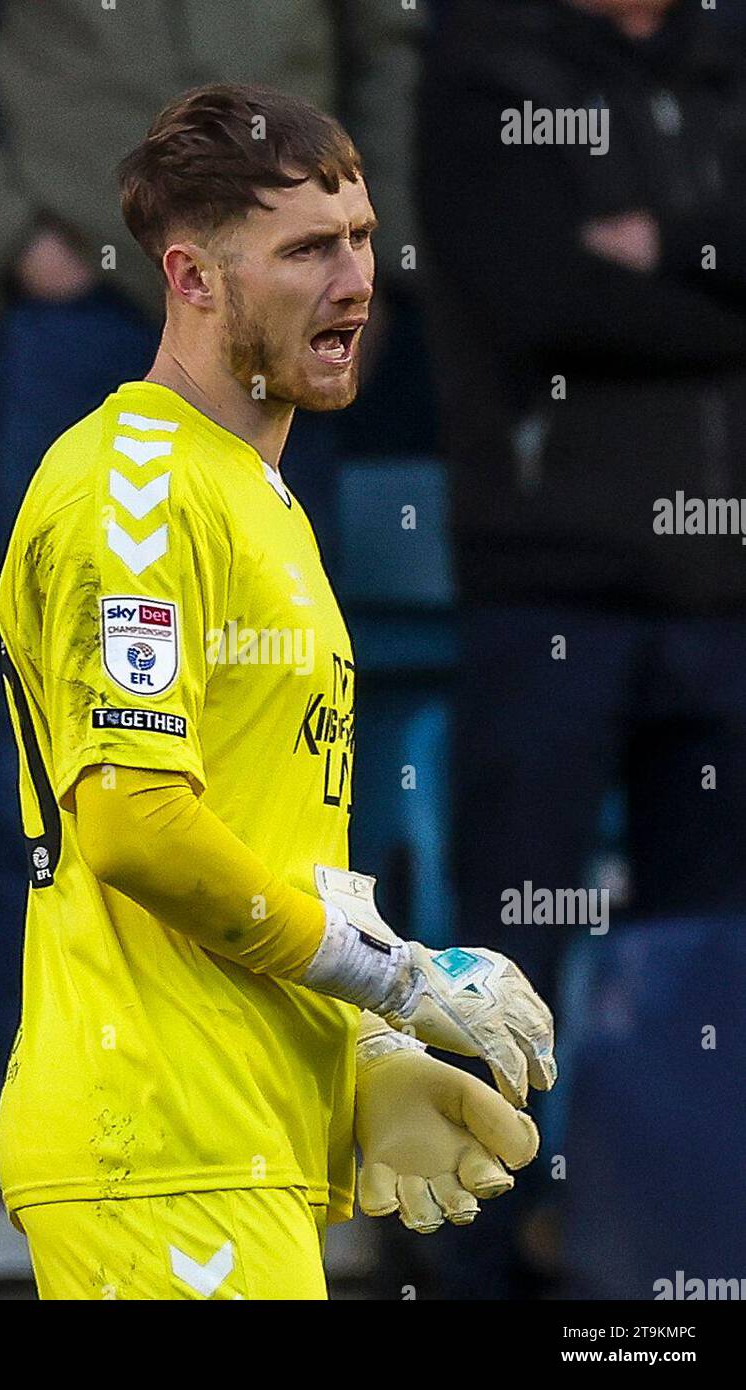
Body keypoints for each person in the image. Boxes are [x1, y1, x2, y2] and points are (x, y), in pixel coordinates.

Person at [0, 3, 428, 1178]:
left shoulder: (330, 271)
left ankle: (301, 1077)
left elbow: (393, 48)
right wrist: (9, 235)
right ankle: (13, 1075)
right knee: (61, 726)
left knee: (284, 718)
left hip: (272, 299)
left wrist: (354, 251)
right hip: (79, 302)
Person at [0, 83, 555, 1300]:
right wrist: (396, 978)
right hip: (161, 1147)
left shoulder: (263, 498)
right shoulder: (129, 492)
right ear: (191, 278)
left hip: (237, 1144)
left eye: (358, 238)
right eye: (306, 249)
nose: (353, 279)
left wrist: (356, 1054)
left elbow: (265, 851)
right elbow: (137, 826)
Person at [419, 0, 746, 1297]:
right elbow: (535, 290)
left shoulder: (729, 57)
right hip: (546, 584)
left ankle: (675, 1247)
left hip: (724, 594)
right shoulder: (483, 68)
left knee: (701, 961)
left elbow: (605, 287)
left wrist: (658, 247)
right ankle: (470, 1248)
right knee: (505, 947)